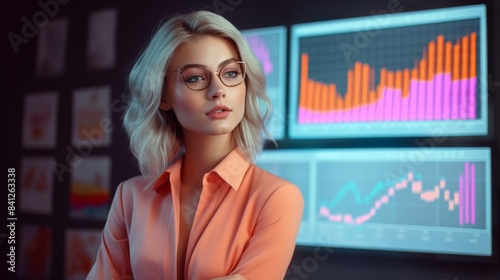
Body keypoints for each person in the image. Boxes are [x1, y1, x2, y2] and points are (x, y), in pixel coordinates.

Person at [86, 10, 304, 280]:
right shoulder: (129, 197)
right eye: (195, 78)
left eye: (231, 73)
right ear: (164, 95)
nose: (218, 90)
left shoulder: (277, 197)